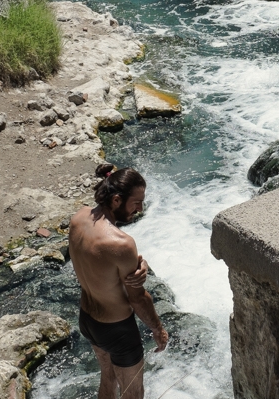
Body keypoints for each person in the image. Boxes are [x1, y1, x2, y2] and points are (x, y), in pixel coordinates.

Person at [69, 164, 168, 399]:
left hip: (88, 320)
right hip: (117, 330)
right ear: (116, 200)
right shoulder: (121, 243)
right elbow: (139, 299)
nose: (140, 209)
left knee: (108, 378)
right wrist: (158, 329)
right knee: (133, 393)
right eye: (136, 202)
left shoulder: (79, 218)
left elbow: (99, 265)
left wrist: (137, 264)